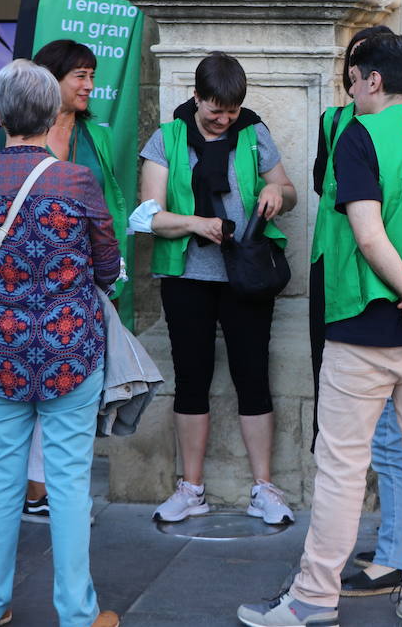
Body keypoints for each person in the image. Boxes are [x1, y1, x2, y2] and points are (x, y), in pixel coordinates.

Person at [238, 32, 402, 627]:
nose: (349, 88)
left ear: (372, 79)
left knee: (341, 470)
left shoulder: (361, 133)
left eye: (352, 77)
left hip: (364, 327)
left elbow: (368, 235)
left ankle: (312, 601)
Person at [0, 59, 121, 627]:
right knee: (69, 481)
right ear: (53, 114)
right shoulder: (76, 181)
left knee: (0, 476)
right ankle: (77, 614)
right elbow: (107, 266)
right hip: (68, 352)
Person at [140, 52, 299, 526]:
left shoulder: (253, 134)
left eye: (231, 111)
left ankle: (264, 488)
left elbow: (287, 190)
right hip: (188, 276)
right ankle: (191, 489)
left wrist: (277, 195)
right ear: (196, 97)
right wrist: (195, 223)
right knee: (191, 379)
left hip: (246, 275)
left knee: (253, 377)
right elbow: (150, 214)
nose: (223, 119)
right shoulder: (166, 139)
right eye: (215, 110)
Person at [0, 39, 129, 523]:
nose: (90, 85)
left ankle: (42, 495)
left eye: (93, 74)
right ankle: (39, 494)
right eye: (80, 76)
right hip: (21, 293)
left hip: (81, 288)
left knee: (64, 395)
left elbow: (109, 203)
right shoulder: (10, 144)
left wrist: (111, 270)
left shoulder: (99, 137)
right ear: (50, 84)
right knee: (32, 399)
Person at [309, 24, 402, 597]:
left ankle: (397, 553)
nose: (353, 92)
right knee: (358, 435)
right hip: (338, 282)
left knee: (396, 436)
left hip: (390, 289)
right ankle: (391, 545)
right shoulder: (334, 123)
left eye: (357, 80)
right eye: (347, 80)